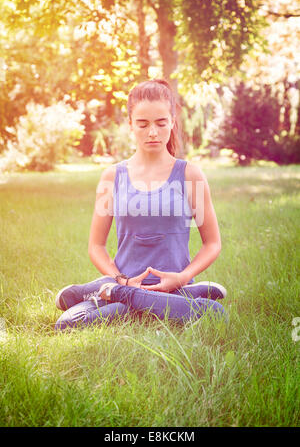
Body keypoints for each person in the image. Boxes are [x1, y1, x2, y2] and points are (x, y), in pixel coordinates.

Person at [54, 79, 227, 330]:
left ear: (172, 122)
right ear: (131, 125)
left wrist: (183, 276)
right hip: (124, 283)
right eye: (143, 124)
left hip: (173, 285)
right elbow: (96, 246)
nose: (153, 132)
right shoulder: (112, 177)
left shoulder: (191, 175)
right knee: (67, 323)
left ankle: (116, 295)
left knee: (215, 314)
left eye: (161, 123)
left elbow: (212, 243)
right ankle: (150, 296)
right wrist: (121, 281)